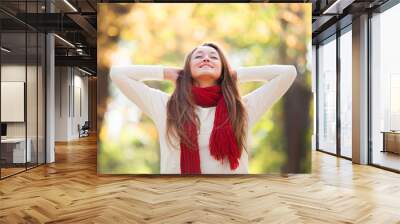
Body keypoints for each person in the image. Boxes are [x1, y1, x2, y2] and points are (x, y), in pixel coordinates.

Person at [109, 42, 297, 174]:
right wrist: (167, 73)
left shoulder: (242, 108)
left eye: (214, 57)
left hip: (230, 200)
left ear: (223, 68)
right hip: (177, 199)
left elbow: (288, 72)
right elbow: (118, 74)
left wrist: (234, 75)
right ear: (187, 68)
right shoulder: (165, 106)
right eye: (198, 56)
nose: (206, 59)